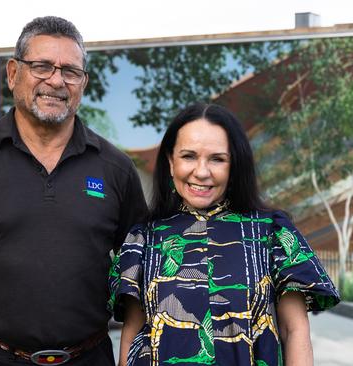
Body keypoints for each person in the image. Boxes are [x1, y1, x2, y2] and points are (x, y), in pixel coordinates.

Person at [0, 16, 148, 366]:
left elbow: (139, 268)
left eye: (70, 71)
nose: (56, 80)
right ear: (13, 73)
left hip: (89, 357)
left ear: (82, 83)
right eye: (42, 66)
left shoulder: (115, 169)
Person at [109, 103, 340, 366]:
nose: (202, 171)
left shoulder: (272, 231)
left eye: (217, 159)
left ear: (234, 166)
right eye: (188, 156)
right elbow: (133, 335)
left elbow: (294, 330)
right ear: (171, 162)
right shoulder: (143, 238)